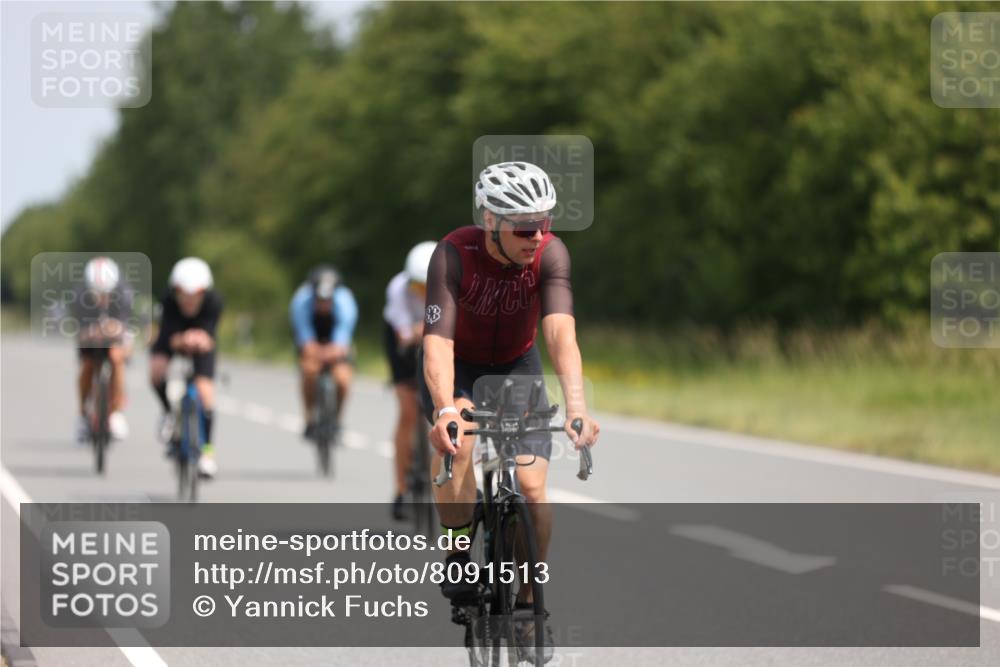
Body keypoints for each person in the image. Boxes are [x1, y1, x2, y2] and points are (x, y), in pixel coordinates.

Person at [420, 161, 601, 662]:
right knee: (463, 437)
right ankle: (458, 551)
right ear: (490, 218)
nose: (536, 234)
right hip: (459, 368)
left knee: (534, 489)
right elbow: (437, 343)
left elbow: (561, 333)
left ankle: (527, 608)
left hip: (518, 367)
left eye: (544, 222)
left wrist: (577, 406)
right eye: (524, 226)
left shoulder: (549, 253)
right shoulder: (454, 254)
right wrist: (444, 409)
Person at [149, 257, 223, 478]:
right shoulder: (167, 302)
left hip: (202, 344)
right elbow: (167, 338)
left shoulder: (214, 302)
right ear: (176, 292)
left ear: (204, 294)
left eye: (194, 297)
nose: (188, 302)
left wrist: (201, 340)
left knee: (206, 392)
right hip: (173, 338)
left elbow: (210, 337)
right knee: (156, 372)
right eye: (184, 296)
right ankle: (168, 413)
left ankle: (208, 452)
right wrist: (181, 340)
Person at [383, 241, 436, 519]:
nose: (424, 292)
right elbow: (404, 334)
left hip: (437, 339)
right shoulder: (398, 288)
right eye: (418, 287)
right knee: (407, 411)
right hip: (402, 342)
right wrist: (417, 332)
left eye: (429, 286)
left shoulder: (453, 284)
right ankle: (401, 488)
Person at [289, 265, 358, 439]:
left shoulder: (345, 302)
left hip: (336, 342)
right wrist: (315, 352)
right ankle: (310, 418)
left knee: (343, 379)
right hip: (313, 340)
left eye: (327, 300)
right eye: (319, 300)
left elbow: (342, 338)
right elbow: (305, 338)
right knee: (309, 372)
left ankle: (336, 419)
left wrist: (335, 351)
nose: (323, 304)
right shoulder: (300, 301)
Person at [74, 256, 132, 442]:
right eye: (97, 294)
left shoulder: (124, 294)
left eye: (106, 294)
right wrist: (92, 332)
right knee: (88, 364)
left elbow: (125, 328)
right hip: (90, 338)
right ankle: (83, 413)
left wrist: (113, 330)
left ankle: (115, 411)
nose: (102, 299)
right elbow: (79, 332)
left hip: (115, 338)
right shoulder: (78, 295)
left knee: (117, 357)